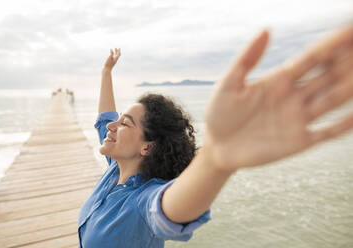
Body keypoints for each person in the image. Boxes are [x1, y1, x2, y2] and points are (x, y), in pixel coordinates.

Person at [78, 26, 353, 248]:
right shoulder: (116, 168)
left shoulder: (142, 201)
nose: (112, 126)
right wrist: (106, 72)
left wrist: (217, 158)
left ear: (147, 146)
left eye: (124, 123)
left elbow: (166, 210)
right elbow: (105, 117)